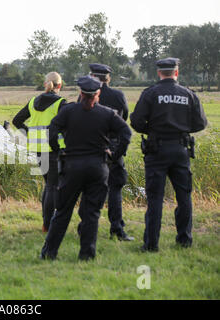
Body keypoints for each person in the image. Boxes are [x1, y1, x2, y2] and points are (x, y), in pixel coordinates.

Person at [41, 76, 131, 261]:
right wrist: (114, 154)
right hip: (98, 167)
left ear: (81, 93)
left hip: (72, 165)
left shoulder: (68, 111)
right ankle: (87, 254)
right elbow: (126, 132)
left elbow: (51, 131)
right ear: (98, 94)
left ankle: (49, 253)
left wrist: (59, 150)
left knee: (63, 211)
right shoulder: (108, 114)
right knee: (92, 213)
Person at [130, 58, 207, 252]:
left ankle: (151, 245)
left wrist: (153, 130)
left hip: (157, 150)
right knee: (184, 197)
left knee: (155, 198)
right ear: (176, 72)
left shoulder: (150, 94)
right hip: (181, 150)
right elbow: (200, 123)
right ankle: (184, 240)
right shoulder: (188, 94)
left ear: (159, 73)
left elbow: (137, 121)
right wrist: (181, 129)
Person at [77, 63, 134, 241]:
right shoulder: (118, 95)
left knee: (89, 189)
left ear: (92, 77)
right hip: (114, 146)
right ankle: (117, 228)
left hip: (92, 147)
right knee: (115, 189)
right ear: (108, 78)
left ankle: (84, 226)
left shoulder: (84, 97)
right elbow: (124, 118)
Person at [13, 72, 67, 233]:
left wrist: (29, 134)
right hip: (54, 149)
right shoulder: (60, 103)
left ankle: (46, 223)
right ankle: (48, 225)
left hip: (37, 149)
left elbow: (17, 121)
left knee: (48, 185)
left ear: (46, 84)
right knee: (52, 186)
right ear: (59, 86)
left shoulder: (33, 102)